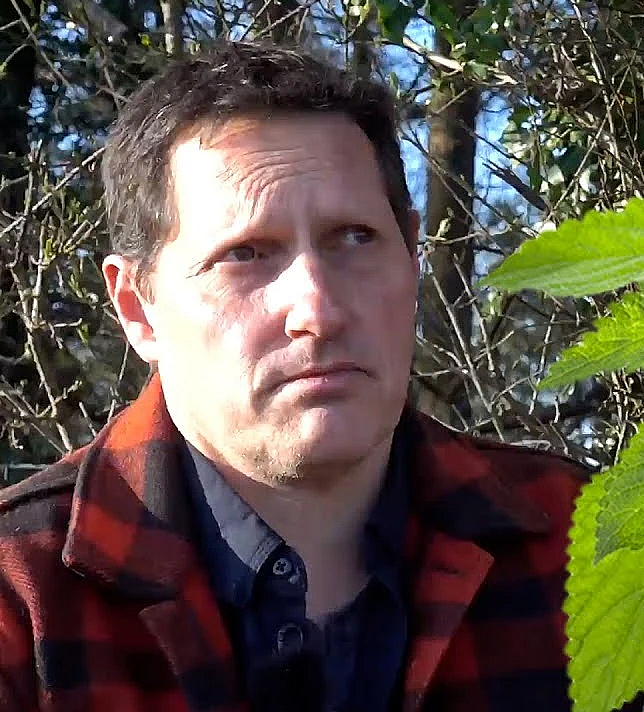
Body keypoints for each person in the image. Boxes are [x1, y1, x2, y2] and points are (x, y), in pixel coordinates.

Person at [0, 41, 586, 711]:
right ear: (138, 308)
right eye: (244, 255)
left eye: (355, 237)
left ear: (413, 256)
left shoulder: (583, 541)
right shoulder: (23, 597)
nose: (319, 310)